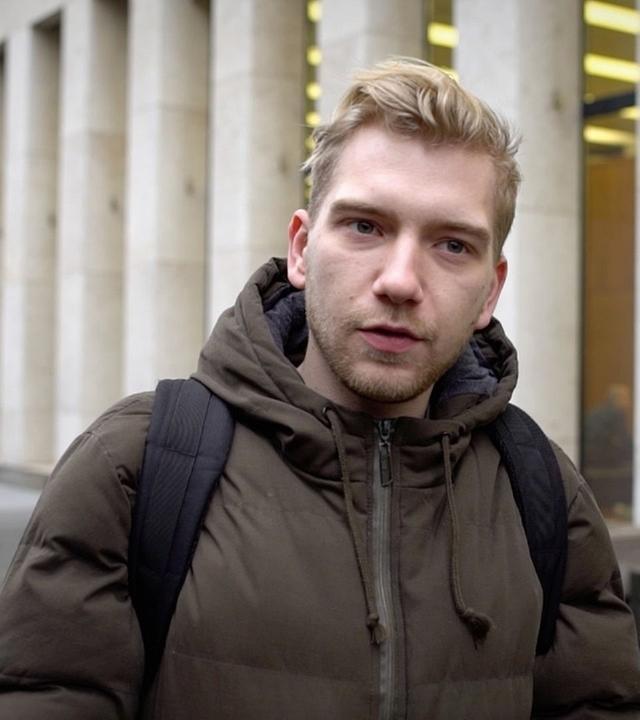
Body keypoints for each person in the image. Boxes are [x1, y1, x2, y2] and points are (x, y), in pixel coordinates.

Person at [0, 57, 639, 720]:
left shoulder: (543, 494)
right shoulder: (132, 468)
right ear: (302, 249)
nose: (400, 280)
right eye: (365, 226)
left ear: (490, 291)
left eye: (452, 245)